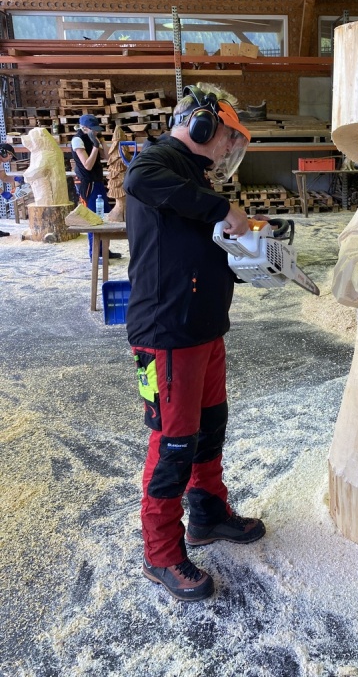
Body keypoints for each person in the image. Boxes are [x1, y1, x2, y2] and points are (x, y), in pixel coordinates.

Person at [124, 84, 265, 602]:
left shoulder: (193, 175)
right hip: (167, 333)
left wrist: (251, 257)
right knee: (174, 444)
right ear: (202, 125)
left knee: (209, 429)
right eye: (227, 136)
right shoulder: (157, 161)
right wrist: (223, 208)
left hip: (204, 326)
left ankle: (208, 514)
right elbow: (139, 180)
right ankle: (161, 552)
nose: (228, 148)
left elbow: (197, 241)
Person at [71, 114, 121, 261]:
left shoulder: (94, 137)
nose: (95, 132)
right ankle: (94, 253)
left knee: (105, 215)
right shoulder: (77, 140)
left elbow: (108, 157)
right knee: (93, 218)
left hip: (98, 181)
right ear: (84, 128)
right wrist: (94, 146)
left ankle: (104, 250)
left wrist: (102, 141)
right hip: (88, 183)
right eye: (93, 129)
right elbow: (87, 165)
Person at [0, 143, 16, 236]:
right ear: (3, 152)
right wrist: (2, 192)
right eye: (10, 155)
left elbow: (4, 178)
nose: (10, 158)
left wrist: (15, 179)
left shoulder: (1, 163)